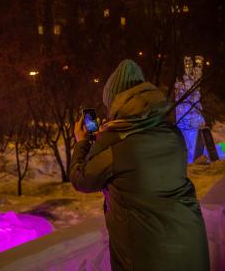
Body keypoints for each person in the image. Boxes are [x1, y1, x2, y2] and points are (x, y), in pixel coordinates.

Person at [71, 59, 209, 271]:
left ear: (117, 102)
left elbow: (82, 179)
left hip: (148, 258)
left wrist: (82, 142)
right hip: (191, 247)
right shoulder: (172, 133)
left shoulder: (115, 142)